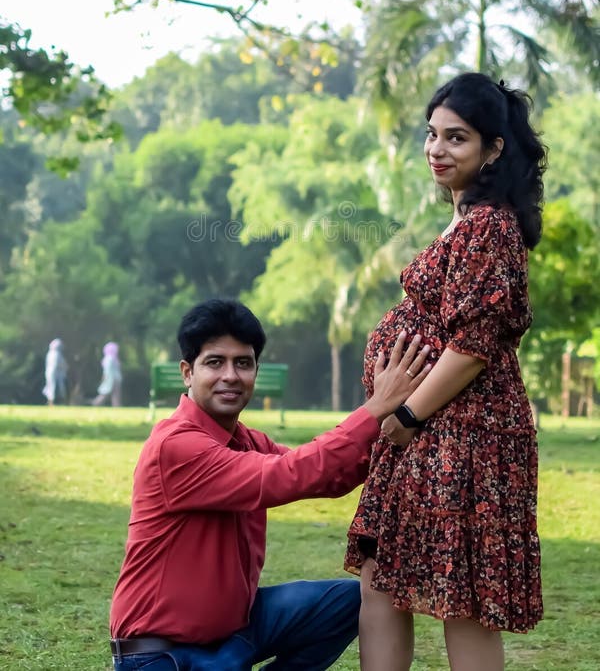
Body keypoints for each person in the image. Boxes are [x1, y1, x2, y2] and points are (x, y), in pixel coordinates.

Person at [345, 72, 547, 671]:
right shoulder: (467, 221)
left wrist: (407, 412)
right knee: (384, 572)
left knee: (466, 597)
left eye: (456, 138)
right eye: (432, 135)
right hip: (429, 435)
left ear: (494, 148)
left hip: (466, 434)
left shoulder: (489, 226)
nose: (437, 149)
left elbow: (474, 343)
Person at [109, 297, 432, 671]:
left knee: (352, 600)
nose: (230, 375)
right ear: (187, 372)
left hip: (232, 633)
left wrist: (398, 426)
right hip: (162, 655)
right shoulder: (175, 446)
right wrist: (376, 408)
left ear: (255, 372)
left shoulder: (247, 441)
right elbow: (287, 475)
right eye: (215, 362)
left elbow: (324, 472)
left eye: (243, 363)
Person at [92, 342, 122, 407]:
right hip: (112, 379)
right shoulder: (110, 358)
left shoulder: (111, 358)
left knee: (113, 394)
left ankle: (116, 406)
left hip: (113, 378)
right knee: (108, 394)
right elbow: (107, 371)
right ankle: (95, 403)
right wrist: (105, 378)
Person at [42, 338, 68, 406]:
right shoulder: (56, 354)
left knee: (51, 386)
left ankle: (52, 402)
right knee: (53, 387)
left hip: (50, 372)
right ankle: (52, 402)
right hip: (55, 373)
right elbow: (59, 364)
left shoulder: (50, 353)